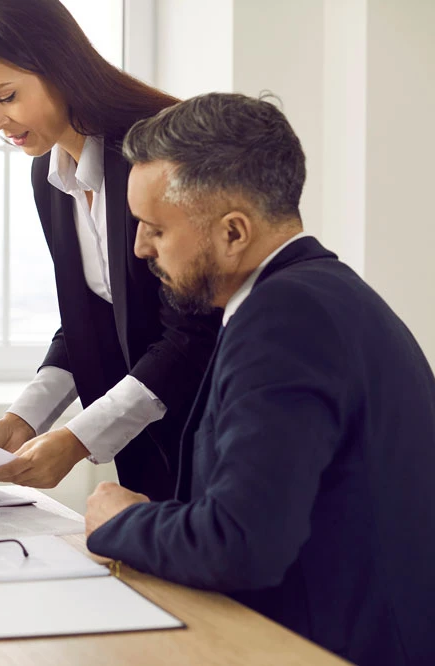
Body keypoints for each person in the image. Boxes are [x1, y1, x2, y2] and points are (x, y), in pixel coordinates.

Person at [83, 92, 435, 666]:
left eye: (154, 228)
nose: (141, 247)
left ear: (233, 233)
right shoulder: (325, 294)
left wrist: (122, 521)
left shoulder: (285, 319)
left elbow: (240, 544)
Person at [0, 0, 220, 499]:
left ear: (59, 65)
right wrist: (22, 419)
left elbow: (193, 332)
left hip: (215, 433)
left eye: (5, 96)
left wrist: (75, 440)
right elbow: (90, 317)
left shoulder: (162, 151)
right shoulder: (48, 175)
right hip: (149, 444)